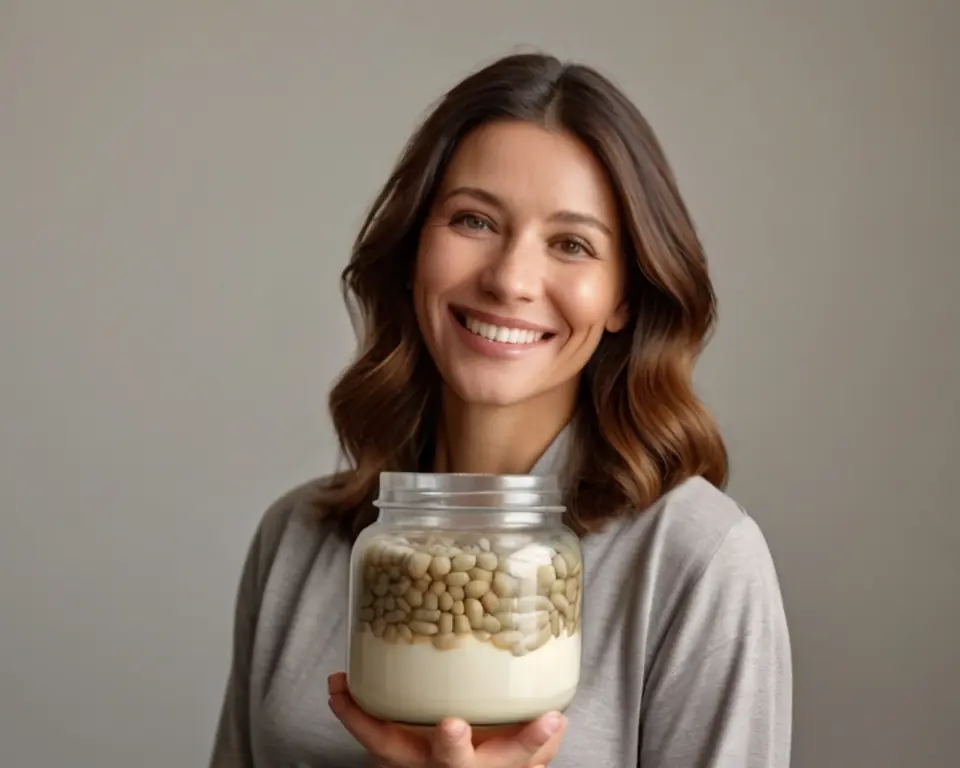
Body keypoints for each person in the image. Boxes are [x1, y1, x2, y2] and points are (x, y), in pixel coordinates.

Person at [209, 52, 793, 768]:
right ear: (414, 249)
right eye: (474, 221)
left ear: (624, 299)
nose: (511, 280)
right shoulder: (299, 538)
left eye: (572, 244)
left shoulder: (696, 561)